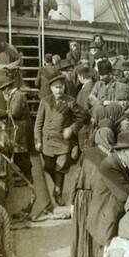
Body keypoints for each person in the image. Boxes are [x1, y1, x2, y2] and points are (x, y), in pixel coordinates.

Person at [34, 72, 87, 206]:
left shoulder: (70, 101)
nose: (59, 90)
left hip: (63, 142)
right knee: (48, 167)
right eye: (56, 87)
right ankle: (57, 185)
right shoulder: (45, 101)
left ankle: (58, 192)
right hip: (47, 141)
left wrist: (72, 128)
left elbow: (82, 117)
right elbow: (38, 123)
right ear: (51, 88)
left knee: (61, 168)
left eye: (61, 87)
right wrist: (38, 140)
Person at [86, 130, 129, 257]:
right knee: (107, 256)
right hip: (105, 220)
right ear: (123, 152)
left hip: (111, 216)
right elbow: (125, 196)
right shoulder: (109, 166)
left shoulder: (120, 162)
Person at [71, 126, 115, 257]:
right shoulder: (110, 159)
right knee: (94, 232)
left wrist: (72, 201)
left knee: (81, 231)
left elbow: (76, 176)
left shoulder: (86, 152)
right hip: (96, 200)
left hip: (80, 198)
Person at [0, 77, 33, 182]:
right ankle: (26, 175)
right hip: (19, 128)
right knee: (21, 154)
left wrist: (1, 114)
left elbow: (15, 113)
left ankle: (28, 178)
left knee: (19, 154)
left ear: (7, 88)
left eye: (3, 90)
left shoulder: (18, 96)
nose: (3, 92)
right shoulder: (14, 96)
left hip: (21, 129)